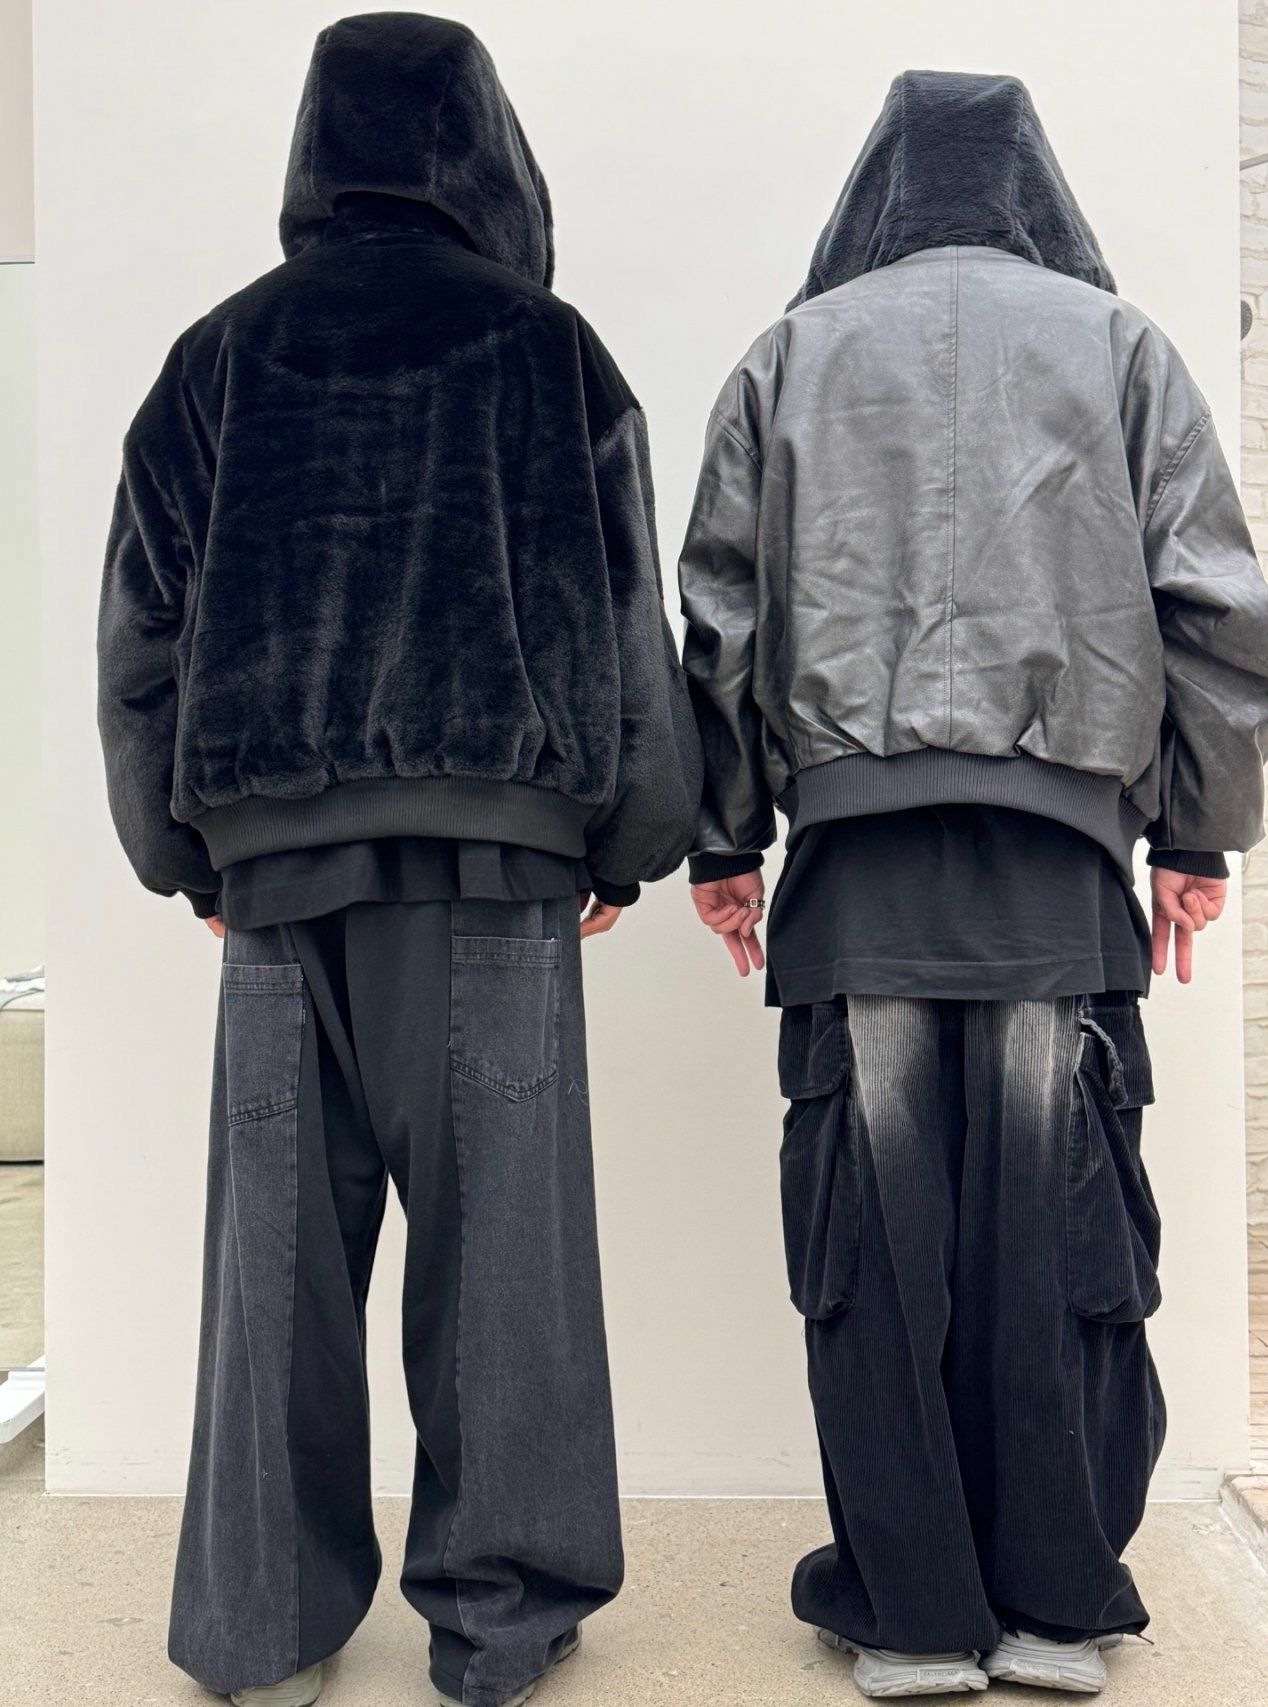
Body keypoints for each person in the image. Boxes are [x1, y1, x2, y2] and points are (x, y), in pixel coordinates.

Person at [97, 15, 700, 1707]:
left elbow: (142, 629)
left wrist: (180, 852)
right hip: (497, 874)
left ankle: (258, 1632)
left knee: (274, 1262)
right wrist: (633, 837)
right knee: (505, 1260)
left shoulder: (218, 355)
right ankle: (498, 1626)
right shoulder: (546, 350)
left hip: (276, 886)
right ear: (485, 146)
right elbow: (621, 615)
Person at [680, 71, 1268, 1700]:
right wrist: (1195, 836)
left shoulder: (792, 353)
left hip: (857, 880)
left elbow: (720, 622)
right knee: (1054, 1239)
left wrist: (727, 842)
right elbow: (1219, 615)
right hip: (1055, 877)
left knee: (876, 1251)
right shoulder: (1123, 347)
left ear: (876, 193)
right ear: (1036, 188)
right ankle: (1058, 1612)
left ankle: (909, 1619)